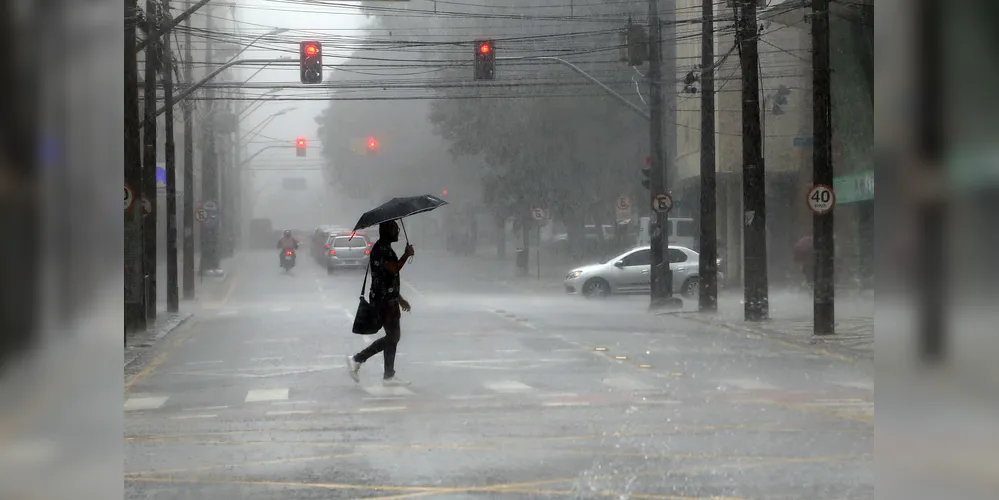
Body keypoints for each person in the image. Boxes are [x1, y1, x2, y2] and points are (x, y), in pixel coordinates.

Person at [346, 220, 415, 387]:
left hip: (389, 299)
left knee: (393, 337)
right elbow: (393, 269)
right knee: (393, 336)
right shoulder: (381, 250)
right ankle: (358, 359)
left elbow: (388, 279)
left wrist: (400, 299)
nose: (397, 232)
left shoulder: (385, 248)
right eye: (395, 229)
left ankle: (388, 375)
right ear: (386, 231)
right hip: (383, 301)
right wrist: (406, 254)